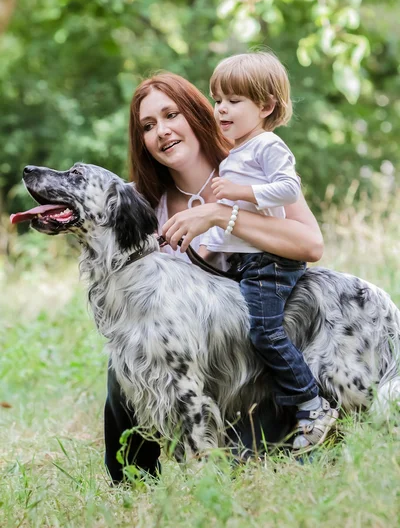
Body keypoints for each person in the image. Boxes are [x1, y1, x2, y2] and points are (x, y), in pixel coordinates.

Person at [104, 70, 325, 483]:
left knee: (251, 471)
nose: (163, 132)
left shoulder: (251, 170)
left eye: (171, 115)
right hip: (193, 368)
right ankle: (131, 479)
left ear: (195, 114)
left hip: (251, 365)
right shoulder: (144, 207)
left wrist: (223, 215)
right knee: (123, 359)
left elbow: (310, 244)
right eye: (148, 126)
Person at [202, 52, 338, 451]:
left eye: (234, 100)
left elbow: (288, 189)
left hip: (272, 262)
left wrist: (239, 192)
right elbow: (234, 225)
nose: (221, 109)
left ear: (265, 106)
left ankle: (312, 404)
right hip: (251, 258)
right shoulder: (238, 152)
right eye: (217, 100)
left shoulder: (267, 145)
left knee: (264, 332)